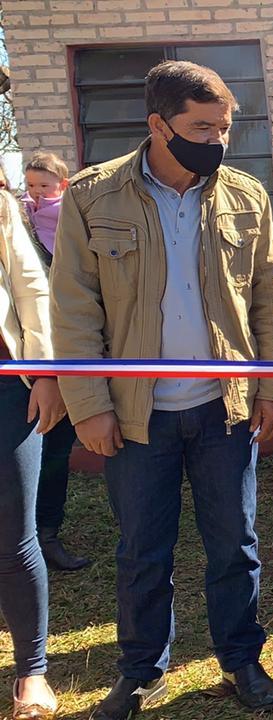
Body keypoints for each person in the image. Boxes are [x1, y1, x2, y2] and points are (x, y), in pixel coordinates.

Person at [51, 60, 273, 719]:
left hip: (224, 408)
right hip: (136, 417)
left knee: (235, 546)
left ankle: (242, 661)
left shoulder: (246, 195)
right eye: (202, 127)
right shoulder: (91, 195)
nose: (217, 139)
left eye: (224, 128)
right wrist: (90, 405)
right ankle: (140, 673)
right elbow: (74, 310)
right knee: (141, 551)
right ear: (158, 125)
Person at [0, 190, 64, 720]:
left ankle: (32, 673)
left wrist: (45, 372)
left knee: (14, 535)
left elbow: (31, 288)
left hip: (6, 390)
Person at [17, 151, 89, 572]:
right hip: (18, 365)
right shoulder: (19, 221)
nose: (37, 193)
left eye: (45, 184)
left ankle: (46, 536)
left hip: (58, 353)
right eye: (31, 185)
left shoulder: (69, 223)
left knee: (55, 449)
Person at [21, 152, 68, 256]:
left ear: (63, 185)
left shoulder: (64, 207)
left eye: (44, 186)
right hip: (35, 252)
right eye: (31, 185)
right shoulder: (26, 204)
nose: (37, 190)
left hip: (58, 254)